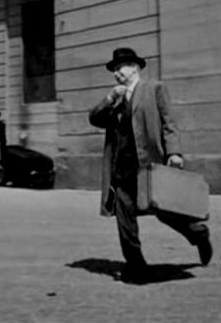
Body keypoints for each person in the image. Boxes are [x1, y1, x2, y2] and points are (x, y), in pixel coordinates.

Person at [88, 47, 213, 283]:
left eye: (120, 68)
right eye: (114, 70)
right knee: (124, 219)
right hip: (121, 171)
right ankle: (136, 265)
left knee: (166, 212)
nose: (116, 73)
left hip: (148, 166)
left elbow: (169, 122)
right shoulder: (115, 101)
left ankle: (199, 234)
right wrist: (109, 98)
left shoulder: (154, 89)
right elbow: (95, 118)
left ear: (134, 67)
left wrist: (174, 152)